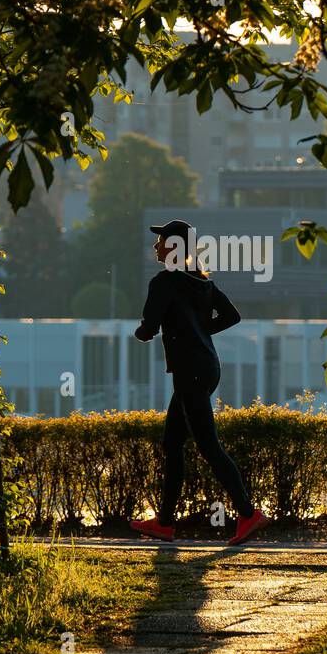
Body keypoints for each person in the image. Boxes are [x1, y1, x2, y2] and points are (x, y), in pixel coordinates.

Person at [129, 220, 269, 546]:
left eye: (161, 241)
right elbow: (232, 316)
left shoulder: (163, 283)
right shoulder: (202, 282)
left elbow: (149, 326)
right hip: (207, 367)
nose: (156, 246)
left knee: (208, 445)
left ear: (174, 247)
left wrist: (143, 332)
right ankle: (164, 522)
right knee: (172, 443)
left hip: (189, 371)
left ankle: (248, 514)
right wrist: (201, 331)